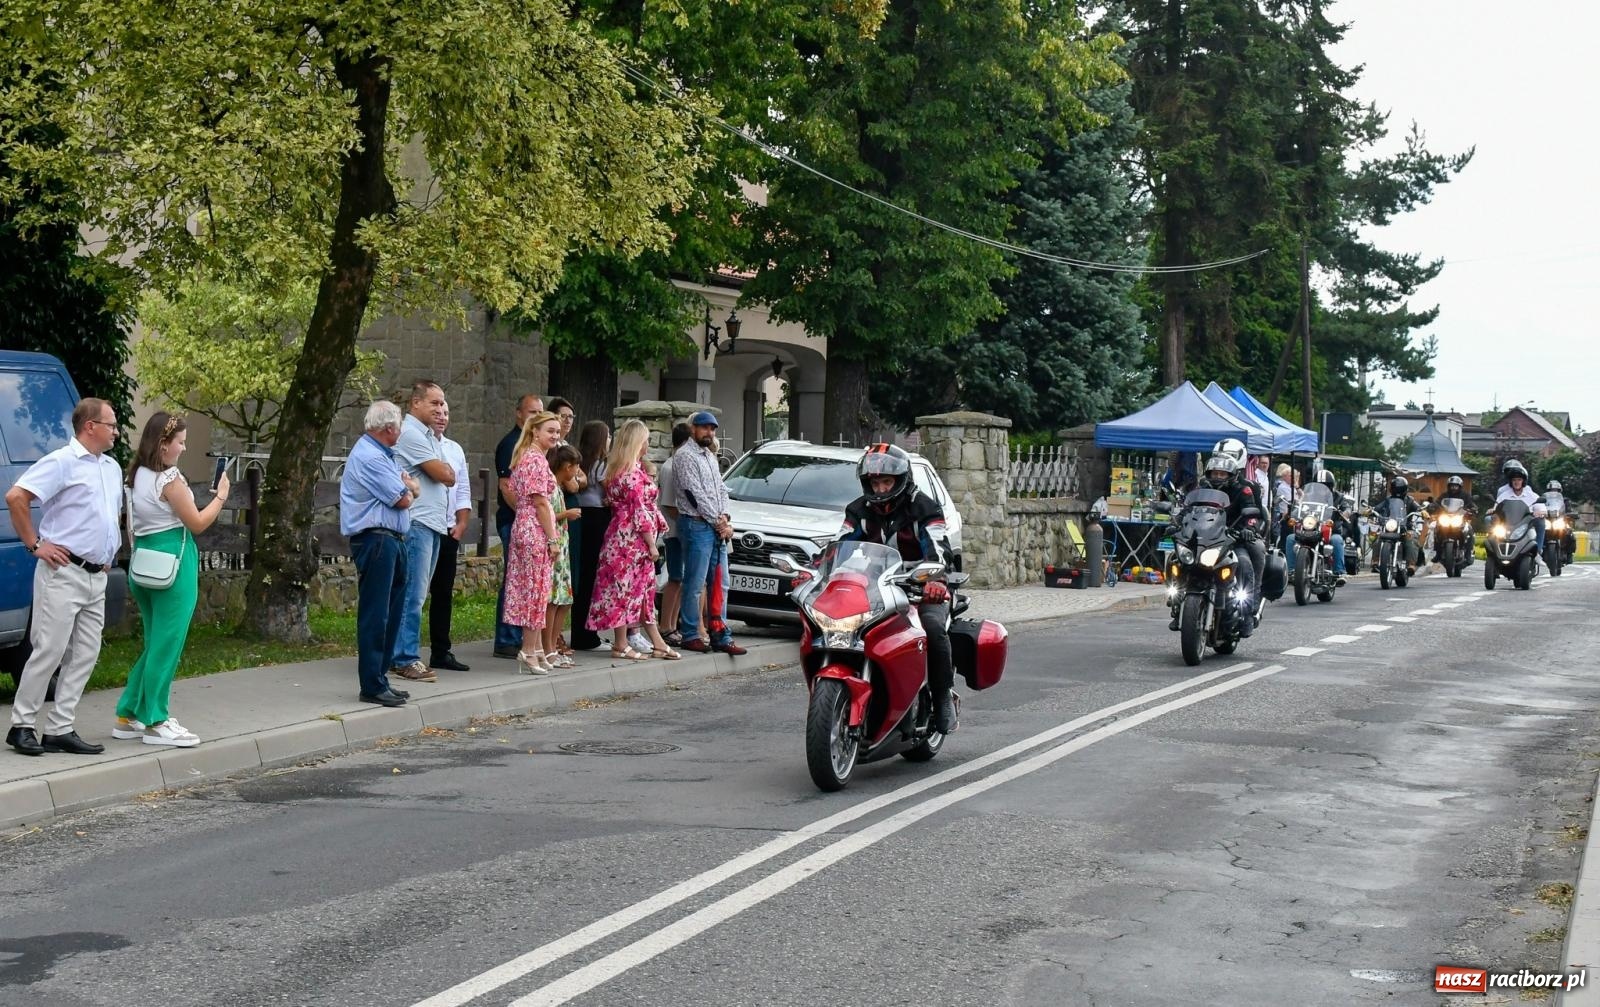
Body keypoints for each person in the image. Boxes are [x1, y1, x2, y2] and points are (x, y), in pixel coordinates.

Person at [5, 398, 124, 756]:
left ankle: (60, 727)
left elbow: (107, 515)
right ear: (90, 426)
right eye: (112, 424)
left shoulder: (111, 468)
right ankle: (22, 725)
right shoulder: (62, 461)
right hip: (63, 571)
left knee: (86, 652)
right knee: (49, 650)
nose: (116, 431)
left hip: (95, 575)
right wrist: (34, 543)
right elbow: (16, 497)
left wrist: (107, 554)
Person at [113, 412, 233, 747]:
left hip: (145, 563)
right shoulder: (170, 480)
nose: (184, 447)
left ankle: (128, 713)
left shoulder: (136, 476)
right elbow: (196, 523)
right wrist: (221, 496)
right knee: (168, 646)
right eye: (180, 442)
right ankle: (156, 720)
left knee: (155, 643)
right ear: (163, 444)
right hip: (174, 566)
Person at [837, 443, 958, 733]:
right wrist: (819, 573)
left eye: (886, 482)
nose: (880, 489)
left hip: (919, 587)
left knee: (931, 627)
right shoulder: (859, 510)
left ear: (901, 480)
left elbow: (939, 549)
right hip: (877, 586)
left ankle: (942, 696)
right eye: (875, 482)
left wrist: (936, 580)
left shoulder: (925, 507)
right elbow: (839, 546)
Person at [340, 400, 421, 708]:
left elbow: (410, 487)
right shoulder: (370, 457)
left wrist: (409, 487)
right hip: (376, 540)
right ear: (389, 428)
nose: (400, 431)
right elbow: (403, 498)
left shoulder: (384, 455)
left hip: (392, 539)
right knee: (377, 614)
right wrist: (409, 488)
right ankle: (372, 683)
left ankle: (381, 678)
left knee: (393, 611)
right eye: (399, 426)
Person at [586, 419, 678, 660]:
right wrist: (651, 543)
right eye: (646, 439)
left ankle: (654, 641)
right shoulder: (631, 474)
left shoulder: (619, 470)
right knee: (625, 589)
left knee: (641, 589)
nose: (648, 444)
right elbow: (639, 511)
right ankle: (621, 642)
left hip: (621, 535)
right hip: (631, 540)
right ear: (638, 442)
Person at [389, 380, 456, 684]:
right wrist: (445, 470)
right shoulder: (412, 433)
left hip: (432, 523)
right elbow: (445, 474)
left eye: (443, 404)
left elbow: (451, 476)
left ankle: (400, 654)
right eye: (435, 402)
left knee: (418, 594)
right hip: (418, 522)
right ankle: (404, 658)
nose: (441, 408)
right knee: (413, 596)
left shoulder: (429, 436)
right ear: (415, 403)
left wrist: (447, 471)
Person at [672, 411, 746, 656]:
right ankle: (691, 633)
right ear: (693, 428)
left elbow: (721, 489)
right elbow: (694, 495)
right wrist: (718, 521)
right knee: (695, 582)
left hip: (715, 526)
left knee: (720, 583)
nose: (709, 433)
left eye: (712, 429)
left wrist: (725, 516)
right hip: (696, 525)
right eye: (704, 428)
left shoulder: (711, 457)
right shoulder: (684, 456)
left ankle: (720, 633)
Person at [503, 410, 565, 674]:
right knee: (536, 591)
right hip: (535, 529)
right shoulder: (535, 460)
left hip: (526, 526)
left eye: (557, 431)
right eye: (550, 430)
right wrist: (553, 539)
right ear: (535, 432)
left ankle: (537, 648)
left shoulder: (528, 457)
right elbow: (540, 502)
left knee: (535, 588)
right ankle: (528, 650)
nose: (555, 435)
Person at [493, 393, 542, 658]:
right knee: (514, 580)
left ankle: (522, 637)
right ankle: (506, 638)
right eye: (532, 412)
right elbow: (506, 487)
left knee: (528, 583)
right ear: (519, 414)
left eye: (539, 412)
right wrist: (527, 515)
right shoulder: (511, 444)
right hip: (514, 522)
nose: (536, 417)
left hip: (531, 524)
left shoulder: (532, 445)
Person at [1201, 438, 1265, 636]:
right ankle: (1177, 596)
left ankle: (1248, 611)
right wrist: (1177, 521)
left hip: (1233, 539)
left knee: (1248, 560)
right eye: (1215, 470)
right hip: (1205, 539)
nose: (1218, 474)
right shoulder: (1203, 485)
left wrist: (1249, 528)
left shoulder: (1246, 487)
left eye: (1222, 471)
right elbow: (1190, 507)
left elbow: (1253, 513)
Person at [426, 401, 473, 673]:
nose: (442, 417)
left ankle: (441, 650)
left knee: (443, 593)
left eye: (446, 413)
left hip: (448, 529)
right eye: (437, 413)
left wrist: (462, 521)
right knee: (416, 591)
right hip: (424, 526)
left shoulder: (454, 448)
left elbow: (463, 488)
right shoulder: (419, 445)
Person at [569, 419, 612, 652]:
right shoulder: (601, 464)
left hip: (582, 517)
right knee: (591, 579)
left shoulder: (579, 461)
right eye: (607, 436)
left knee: (582, 577)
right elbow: (611, 490)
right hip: (597, 519)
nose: (610, 440)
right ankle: (588, 635)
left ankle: (580, 632)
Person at [543, 444, 582, 668]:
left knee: (563, 600)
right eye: (575, 467)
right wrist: (566, 514)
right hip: (554, 548)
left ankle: (553, 646)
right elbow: (545, 515)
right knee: (552, 600)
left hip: (563, 547)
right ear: (567, 467)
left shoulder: (558, 487)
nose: (576, 471)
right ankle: (547, 648)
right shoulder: (550, 487)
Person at [656, 422, 693, 647]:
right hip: (675, 531)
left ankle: (672, 623)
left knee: (681, 578)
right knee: (675, 577)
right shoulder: (671, 467)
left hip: (681, 531)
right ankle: (665, 625)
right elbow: (669, 505)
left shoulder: (680, 464)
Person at [1494, 458, 1544, 555]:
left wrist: (1540, 512)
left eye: (1519, 479)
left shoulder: (1530, 493)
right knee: (1490, 520)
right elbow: (1497, 505)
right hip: (1507, 520)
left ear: (1524, 480)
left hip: (1525, 521)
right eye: (1514, 479)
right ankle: (1495, 547)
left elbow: (1540, 507)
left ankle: (1538, 550)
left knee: (1541, 522)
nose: (1516, 482)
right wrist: (1493, 510)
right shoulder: (1503, 493)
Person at [1380, 475, 1424, 572]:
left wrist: (1422, 511)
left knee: (1411, 537)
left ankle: (1411, 564)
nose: (1397, 491)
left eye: (1399, 489)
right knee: (1376, 535)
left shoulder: (1410, 500)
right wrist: (1370, 510)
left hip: (1405, 527)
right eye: (1395, 489)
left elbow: (1418, 508)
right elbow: (1378, 508)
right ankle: (1375, 561)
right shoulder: (1388, 500)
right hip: (1390, 526)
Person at [1431, 474, 1475, 564]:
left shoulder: (1465, 495)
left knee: (1469, 530)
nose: (1453, 488)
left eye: (1455, 486)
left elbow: (1471, 504)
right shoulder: (1444, 495)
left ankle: (1468, 555)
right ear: (1448, 486)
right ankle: (1438, 553)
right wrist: (1433, 506)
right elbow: (1437, 503)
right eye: (1452, 486)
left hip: (1460, 519)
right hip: (1446, 518)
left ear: (1460, 486)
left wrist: (1473, 509)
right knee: (1436, 529)